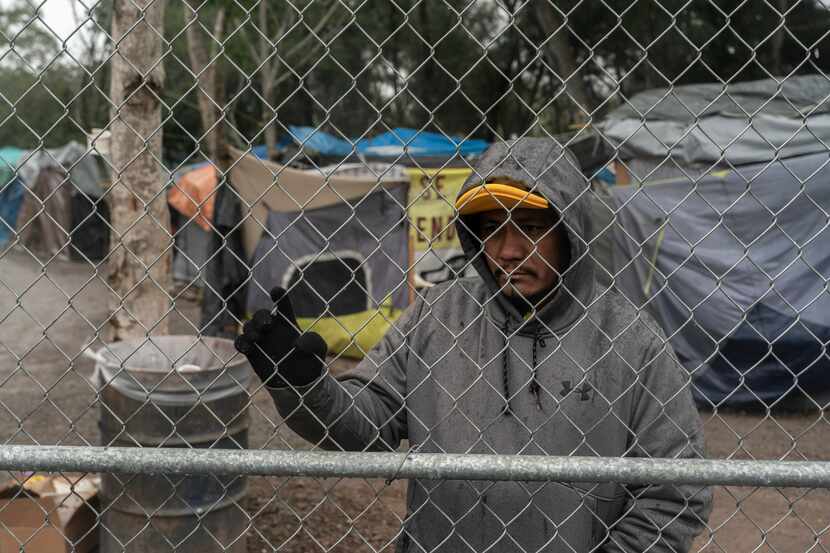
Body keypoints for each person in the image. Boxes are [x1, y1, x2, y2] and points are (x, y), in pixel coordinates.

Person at [235, 138, 712, 553]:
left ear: (571, 230)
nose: (507, 250)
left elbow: (674, 491)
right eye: (491, 229)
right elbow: (368, 422)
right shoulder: (436, 317)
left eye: (529, 226)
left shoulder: (631, 341)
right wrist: (301, 382)